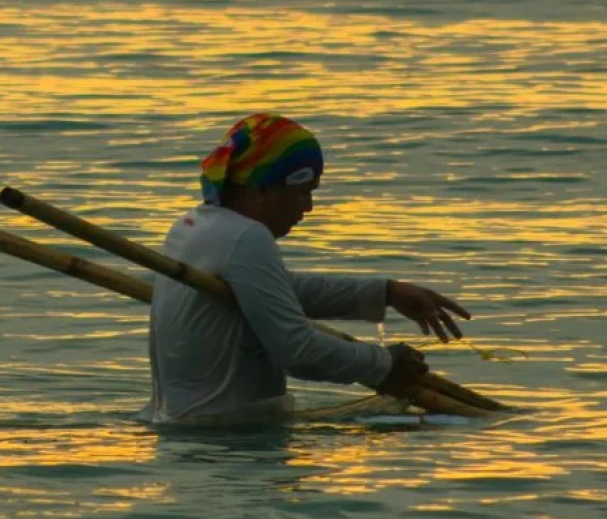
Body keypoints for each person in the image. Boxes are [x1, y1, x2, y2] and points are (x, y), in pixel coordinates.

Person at [142, 113, 471, 426]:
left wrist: (386, 293)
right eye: (302, 193)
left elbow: (275, 291)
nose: (308, 207)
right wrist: (384, 364)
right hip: (229, 437)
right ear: (260, 190)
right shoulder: (246, 237)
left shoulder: (193, 225)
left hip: (180, 427)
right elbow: (298, 351)